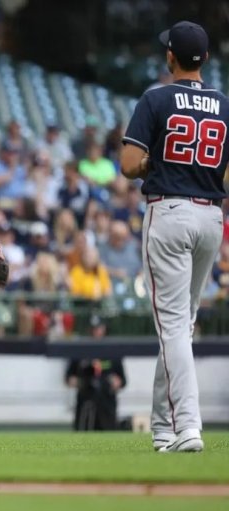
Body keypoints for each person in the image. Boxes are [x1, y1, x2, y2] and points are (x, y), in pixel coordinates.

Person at [120, 21, 229, 453]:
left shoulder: (157, 97)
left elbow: (129, 164)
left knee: (173, 329)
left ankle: (188, 426)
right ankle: (163, 429)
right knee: (180, 326)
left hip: (169, 211)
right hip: (210, 218)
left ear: (171, 57)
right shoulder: (224, 104)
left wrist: (156, 163)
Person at [65, 315, 126, 431]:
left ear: (104, 329)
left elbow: (123, 380)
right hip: (85, 402)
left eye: (98, 328)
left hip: (107, 404)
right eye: (93, 329)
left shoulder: (113, 352)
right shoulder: (80, 350)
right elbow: (69, 377)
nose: (96, 332)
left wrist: (116, 382)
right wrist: (79, 382)